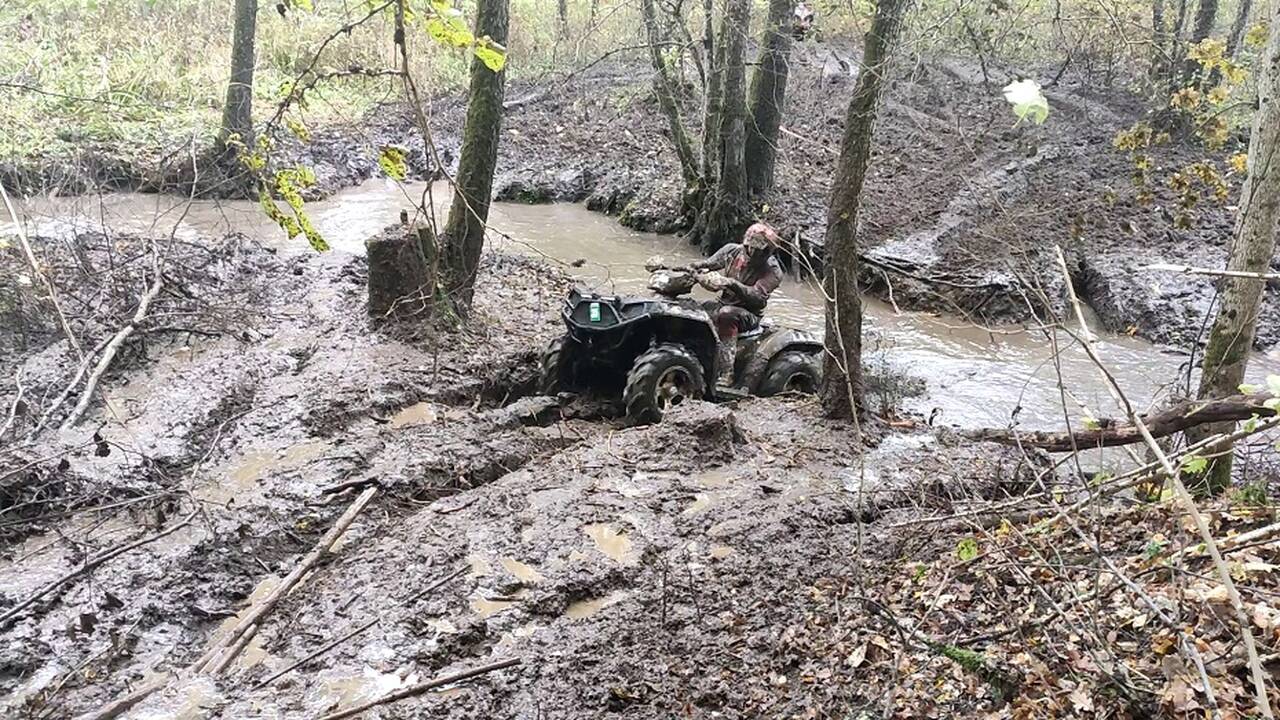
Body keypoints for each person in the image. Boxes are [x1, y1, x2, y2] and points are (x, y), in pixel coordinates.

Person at [690, 223, 785, 384]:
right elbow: (709, 264)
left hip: (748, 315)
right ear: (745, 243)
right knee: (692, 307)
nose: (754, 253)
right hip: (722, 303)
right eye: (750, 248)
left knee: (727, 314)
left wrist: (731, 283)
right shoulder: (732, 251)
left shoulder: (773, 271)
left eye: (760, 250)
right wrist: (693, 269)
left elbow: (757, 297)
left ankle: (726, 372)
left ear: (768, 251)